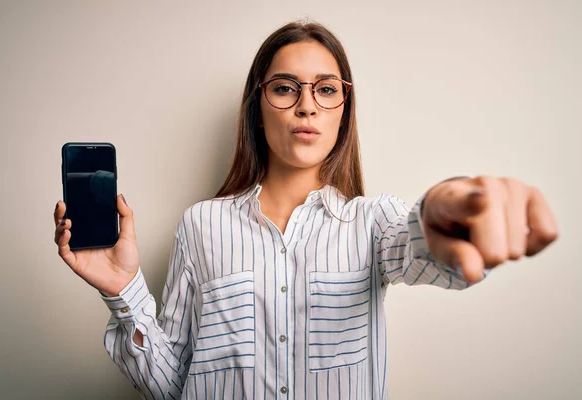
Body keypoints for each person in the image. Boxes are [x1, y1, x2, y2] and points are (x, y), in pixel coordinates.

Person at [52, 20, 558, 400]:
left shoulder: (372, 225)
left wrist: (448, 212)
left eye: (327, 89)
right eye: (284, 87)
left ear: (344, 108)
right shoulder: (201, 225)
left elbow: (421, 240)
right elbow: (175, 384)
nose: (307, 106)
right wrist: (124, 292)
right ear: (257, 104)